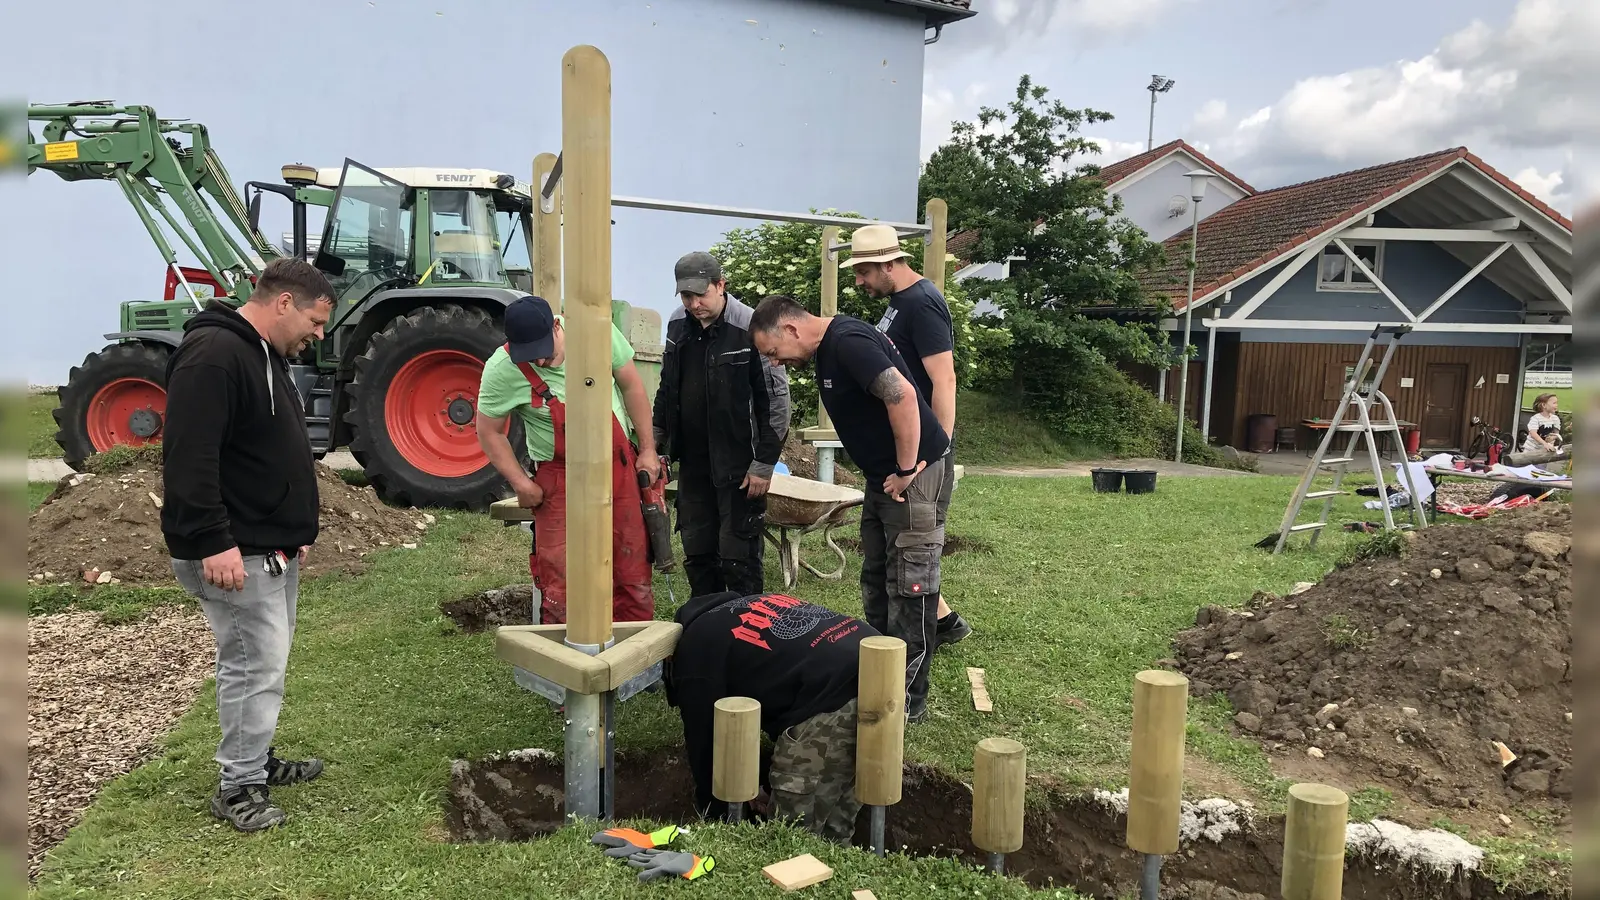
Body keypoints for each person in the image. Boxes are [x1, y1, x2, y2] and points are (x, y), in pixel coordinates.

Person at [161, 257, 336, 832]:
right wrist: (214, 540)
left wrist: (291, 529)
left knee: (267, 662)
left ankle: (253, 760)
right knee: (251, 665)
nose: (316, 336)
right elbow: (190, 458)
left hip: (268, 543)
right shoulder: (213, 357)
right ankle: (238, 784)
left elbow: (263, 448)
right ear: (283, 302)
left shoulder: (262, 354)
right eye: (313, 321)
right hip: (233, 550)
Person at [748, 294, 950, 723]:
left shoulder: (847, 342)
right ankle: (879, 678)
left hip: (909, 478)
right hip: (885, 479)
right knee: (877, 578)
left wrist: (906, 467)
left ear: (791, 329)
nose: (776, 362)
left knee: (909, 585)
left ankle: (908, 700)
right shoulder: (827, 348)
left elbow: (904, 398)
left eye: (773, 352)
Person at [476, 295, 663, 625]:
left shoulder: (596, 333)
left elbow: (632, 386)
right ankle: (562, 662)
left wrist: (646, 450)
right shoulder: (501, 369)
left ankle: (636, 667)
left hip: (616, 466)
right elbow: (489, 431)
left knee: (629, 567)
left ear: (557, 327)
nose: (541, 363)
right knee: (560, 576)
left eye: (544, 353)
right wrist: (521, 483)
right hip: (558, 476)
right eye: (530, 356)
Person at [842, 223, 972, 650]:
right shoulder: (900, 300)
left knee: (914, 548)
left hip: (922, 456)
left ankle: (925, 638)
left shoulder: (922, 303)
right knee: (904, 548)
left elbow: (944, 379)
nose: (859, 281)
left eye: (862, 272)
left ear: (886, 263)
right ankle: (947, 621)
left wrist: (932, 454)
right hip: (905, 450)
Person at [664, 590, 878, 843]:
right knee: (834, 827)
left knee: (792, 838)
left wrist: (717, 817)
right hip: (885, 673)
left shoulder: (696, 648)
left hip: (831, 696)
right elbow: (776, 677)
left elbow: (705, 743)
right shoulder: (747, 604)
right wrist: (753, 785)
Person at [653, 251, 791, 598]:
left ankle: (748, 633)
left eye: (701, 294)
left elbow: (776, 402)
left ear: (721, 285)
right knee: (698, 552)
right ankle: (707, 628)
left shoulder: (750, 327)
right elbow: (667, 388)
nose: (695, 303)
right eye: (687, 296)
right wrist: (655, 441)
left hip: (741, 465)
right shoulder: (676, 326)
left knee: (738, 557)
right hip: (694, 463)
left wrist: (764, 464)